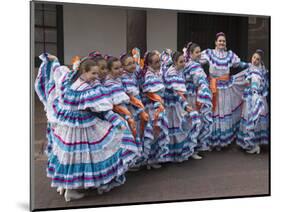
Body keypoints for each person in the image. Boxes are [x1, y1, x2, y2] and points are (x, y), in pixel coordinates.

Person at [35, 53, 140, 202]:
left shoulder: (70, 83)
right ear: (83, 72)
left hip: (68, 127)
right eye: (93, 73)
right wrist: (118, 121)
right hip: (82, 127)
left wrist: (55, 61)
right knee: (83, 155)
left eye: (97, 73)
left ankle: (65, 185)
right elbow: (102, 109)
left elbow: (59, 73)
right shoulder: (88, 90)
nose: (96, 76)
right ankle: (70, 190)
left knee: (69, 156)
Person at [200, 32, 248, 149]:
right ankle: (212, 140)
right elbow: (197, 60)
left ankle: (222, 140)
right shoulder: (209, 53)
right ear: (215, 42)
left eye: (224, 41)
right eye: (220, 41)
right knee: (214, 112)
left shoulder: (230, 55)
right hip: (212, 87)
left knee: (223, 112)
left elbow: (238, 64)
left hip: (225, 88)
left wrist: (250, 65)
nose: (222, 42)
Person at [163, 51, 201, 162]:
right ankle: (177, 153)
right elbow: (177, 92)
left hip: (177, 103)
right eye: (181, 62)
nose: (183, 63)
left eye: (184, 61)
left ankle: (182, 152)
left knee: (180, 125)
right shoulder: (172, 73)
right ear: (174, 62)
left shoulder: (180, 70)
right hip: (172, 104)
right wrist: (185, 105)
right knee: (178, 125)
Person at [140, 51, 170, 169]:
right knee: (153, 133)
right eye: (156, 62)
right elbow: (152, 93)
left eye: (159, 61)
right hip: (152, 108)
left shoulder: (157, 73)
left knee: (156, 132)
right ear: (149, 64)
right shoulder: (149, 76)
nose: (159, 64)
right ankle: (149, 160)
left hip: (158, 106)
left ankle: (153, 159)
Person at [183, 42, 213, 157]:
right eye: (197, 52)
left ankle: (191, 148)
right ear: (190, 54)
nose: (199, 54)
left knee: (192, 121)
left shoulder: (190, 64)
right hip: (191, 95)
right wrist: (204, 89)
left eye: (200, 51)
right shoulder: (194, 65)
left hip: (191, 94)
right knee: (194, 121)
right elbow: (199, 79)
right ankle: (192, 149)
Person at [237, 50, 269, 154]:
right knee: (257, 120)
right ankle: (256, 144)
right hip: (256, 97)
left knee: (252, 118)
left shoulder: (255, 72)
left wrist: (255, 98)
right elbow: (242, 64)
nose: (255, 60)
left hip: (253, 98)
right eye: (254, 57)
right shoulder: (257, 69)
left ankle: (254, 145)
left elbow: (255, 85)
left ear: (260, 61)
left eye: (257, 59)